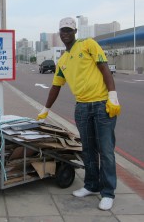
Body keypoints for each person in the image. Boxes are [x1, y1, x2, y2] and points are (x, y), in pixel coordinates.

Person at [37, 17, 121, 210]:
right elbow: (56, 86)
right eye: (62, 30)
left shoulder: (88, 44)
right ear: (59, 34)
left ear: (75, 32)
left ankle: (108, 192)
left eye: (69, 30)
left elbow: (104, 68)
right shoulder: (63, 60)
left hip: (101, 104)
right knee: (88, 149)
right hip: (82, 108)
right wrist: (46, 109)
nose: (65, 33)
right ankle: (91, 185)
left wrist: (113, 96)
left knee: (106, 150)